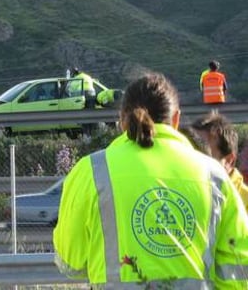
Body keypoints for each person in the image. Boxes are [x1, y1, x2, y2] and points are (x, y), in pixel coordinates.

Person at [53, 73, 248, 289]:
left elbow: (70, 264)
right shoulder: (215, 176)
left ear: (121, 121)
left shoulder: (92, 171)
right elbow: (238, 271)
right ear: (176, 119)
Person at [191, 111, 248, 212]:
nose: (195, 163)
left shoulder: (245, 203)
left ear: (229, 161)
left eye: (206, 156)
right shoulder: (188, 194)